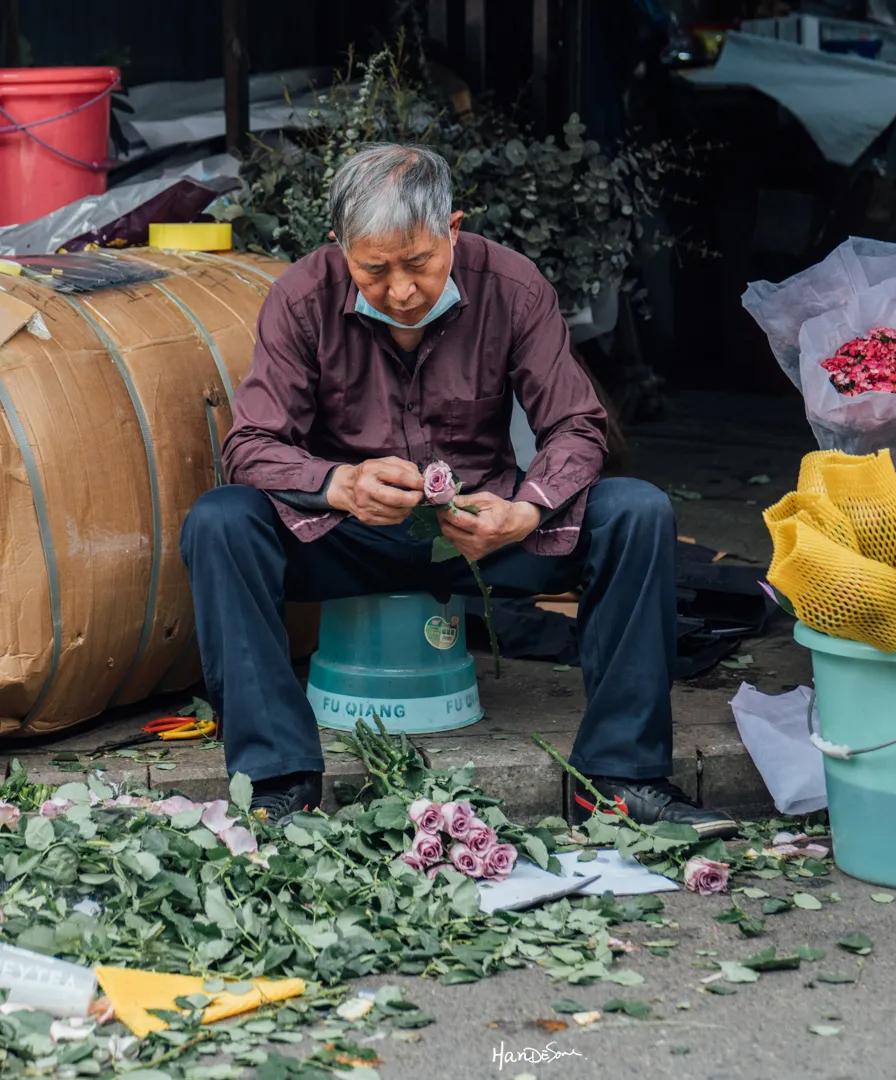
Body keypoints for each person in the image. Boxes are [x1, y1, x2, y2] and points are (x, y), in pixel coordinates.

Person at [180, 143, 736, 835]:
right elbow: (250, 446)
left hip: (485, 531)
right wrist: (337, 482)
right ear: (339, 246)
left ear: (453, 228)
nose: (402, 289)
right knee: (220, 521)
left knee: (637, 511)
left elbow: (576, 425)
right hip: (347, 532)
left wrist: (525, 509)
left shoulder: (512, 285)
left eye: (419, 262)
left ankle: (622, 778)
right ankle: (277, 783)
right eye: (374, 268)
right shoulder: (302, 295)